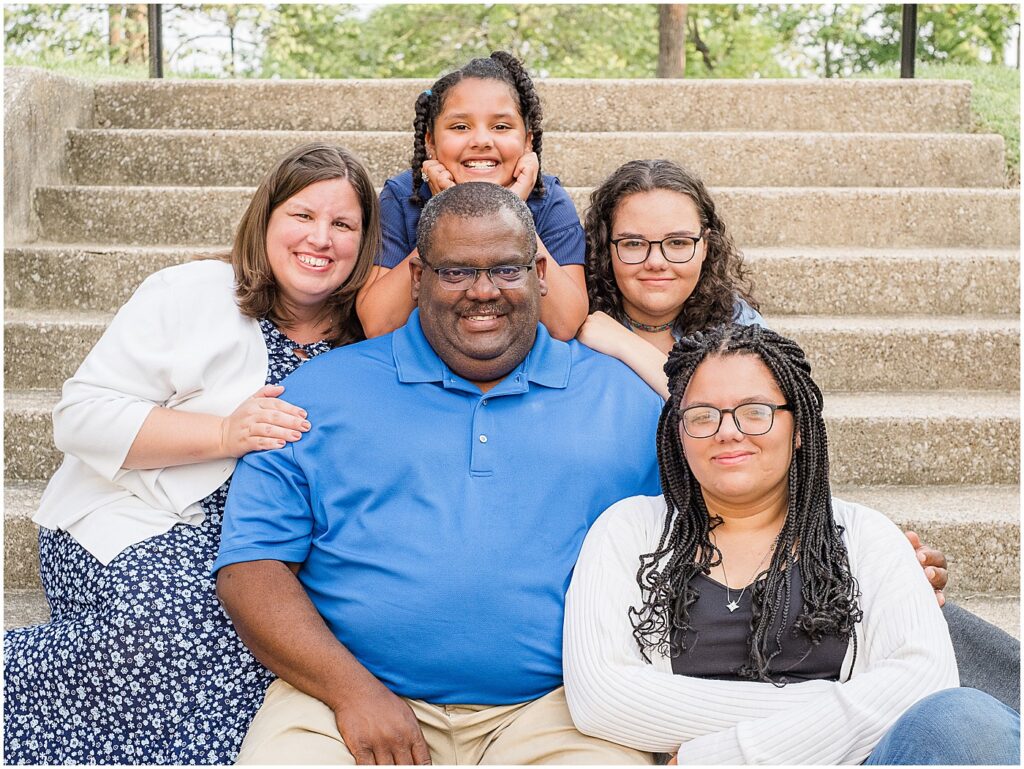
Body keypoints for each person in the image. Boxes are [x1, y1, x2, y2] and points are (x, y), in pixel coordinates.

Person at [214, 182, 664, 764]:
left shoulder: (625, 401)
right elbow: (252, 565)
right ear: (418, 274)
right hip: (342, 701)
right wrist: (352, 693)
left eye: (506, 269)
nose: (484, 293)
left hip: (562, 710)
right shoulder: (317, 393)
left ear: (542, 272)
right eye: (456, 272)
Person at [3, 143, 381, 765]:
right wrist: (224, 434)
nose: (321, 238)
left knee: (291, 641)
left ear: (364, 245)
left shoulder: (365, 339)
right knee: (185, 627)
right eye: (302, 215)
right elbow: (79, 418)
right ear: (266, 220)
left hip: (267, 543)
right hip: (134, 518)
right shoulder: (190, 292)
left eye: (343, 224)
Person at [563, 323, 1020, 764]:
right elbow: (600, 698)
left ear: (798, 429)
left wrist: (725, 754)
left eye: (755, 412)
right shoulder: (628, 530)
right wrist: (832, 704)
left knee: (968, 723)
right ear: (678, 434)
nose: (728, 431)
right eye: (702, 416)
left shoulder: (867, 535)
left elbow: (925, 683)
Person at [356, 50, 589, 341]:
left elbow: (565, 324)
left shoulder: (546, 198)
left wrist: (513, 210)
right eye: (460, 127)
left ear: (528, 141)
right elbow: (378, 324)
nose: (481, 140)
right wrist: (446, 212)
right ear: (430, 141)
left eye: (501, 127)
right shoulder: (405, 196)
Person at [577, 158, 762, 400]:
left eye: (678, 243)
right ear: (605, 247)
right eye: (633, 243)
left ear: (705, 245)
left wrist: (627, 345)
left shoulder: (739, 321)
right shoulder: (573, 320)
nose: (656, 262)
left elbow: (750, 418)